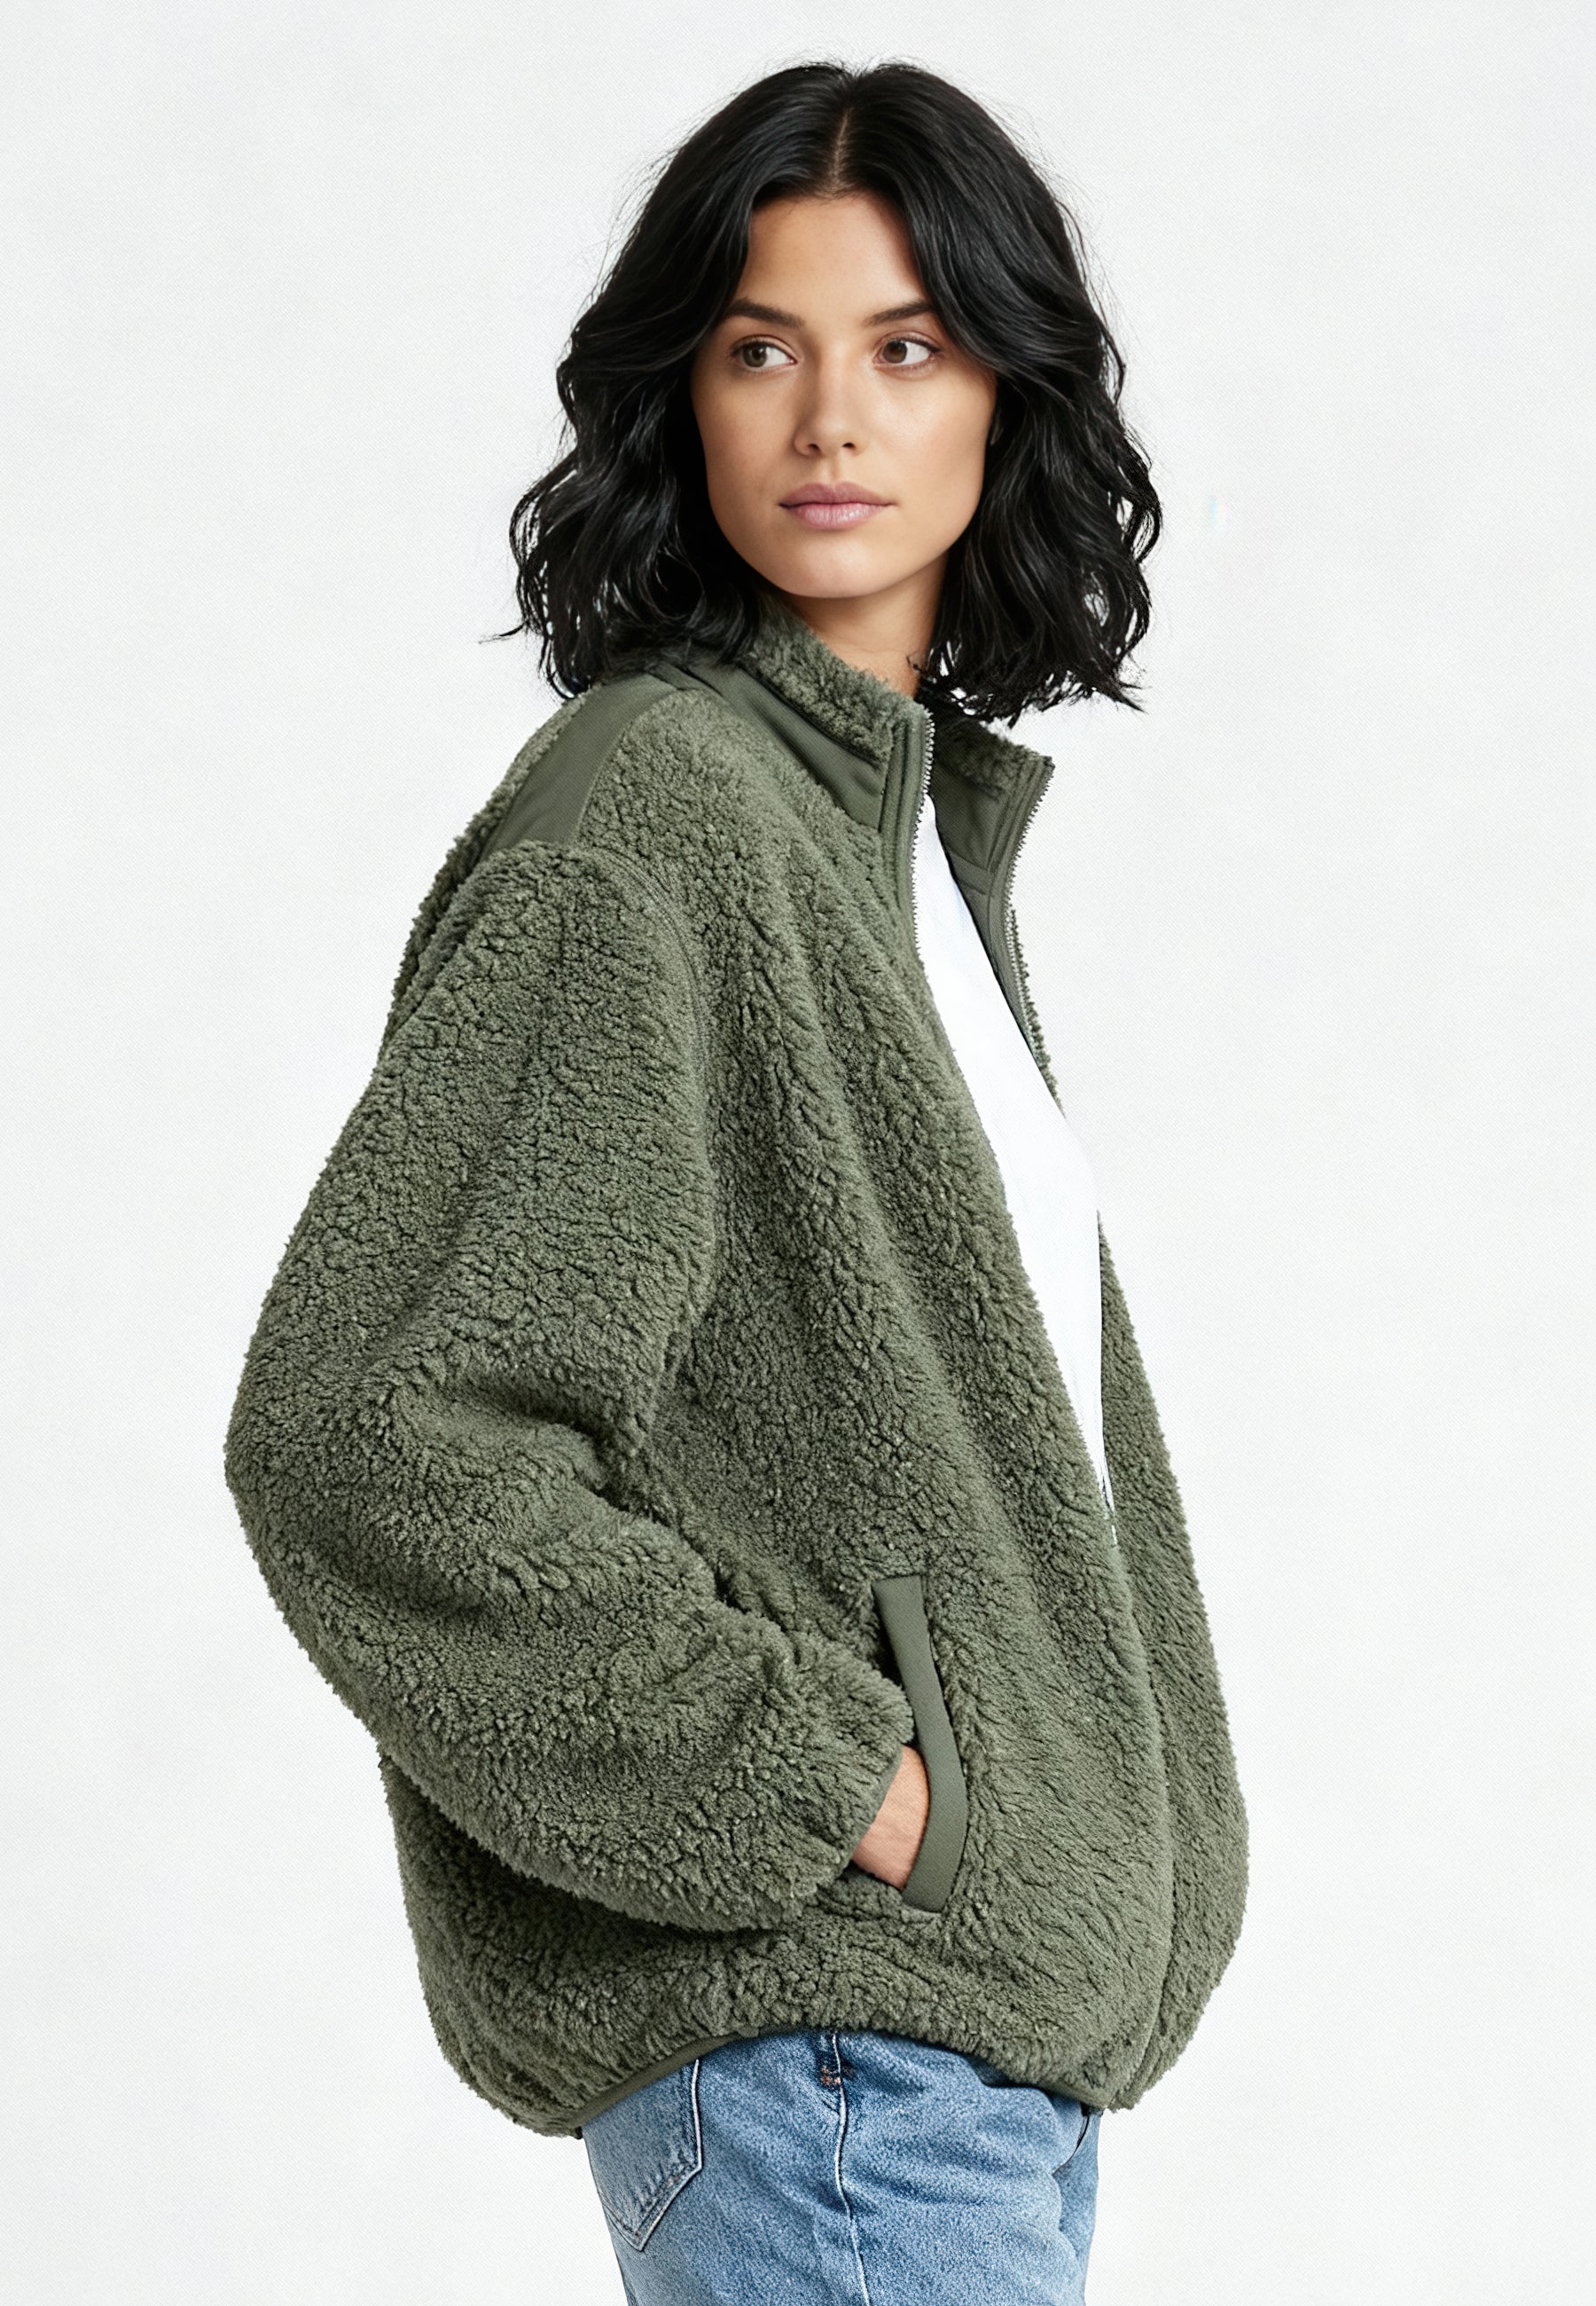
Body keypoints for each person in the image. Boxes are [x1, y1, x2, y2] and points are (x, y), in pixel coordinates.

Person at [225, 58, 1248, 2306]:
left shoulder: (894, 853)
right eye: (762, 348)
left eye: (909, 347)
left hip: (954, 2075)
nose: (833, 420)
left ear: (1008, 394)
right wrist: (833, 1785)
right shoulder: (656, 815)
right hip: (837, 2071)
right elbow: (368, 1434)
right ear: (681, 397)